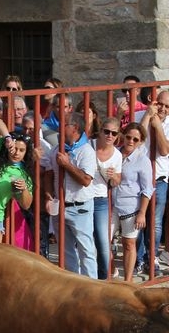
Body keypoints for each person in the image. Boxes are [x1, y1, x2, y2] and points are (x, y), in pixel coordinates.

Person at [137, 89, 169, 275]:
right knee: (135, 220)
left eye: (167, 106)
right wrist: (147, 117)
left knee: (155, 222)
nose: (162, 108)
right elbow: (136, 143)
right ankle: (138, 258)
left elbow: (164, 150)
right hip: (137, 178)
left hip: (159, 179)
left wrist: (158, 127)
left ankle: (152, 257)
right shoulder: (139, 115)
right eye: (160, 104)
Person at [52, 112, 98, 278]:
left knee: (86, 249)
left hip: (80, 208)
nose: (59, 127)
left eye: (63, 124)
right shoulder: (57, 149)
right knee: (66, 251)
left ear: (75, 128)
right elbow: (49, 173)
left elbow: (86, 180)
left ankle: (91, 286)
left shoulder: (86, 151)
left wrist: (67, 165)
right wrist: (49, 196)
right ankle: (74, 283)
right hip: (60, 206)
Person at [0, 117, 36, 245]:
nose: (17, 153)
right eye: (15, 148)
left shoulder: (23, 174)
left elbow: (26, 205)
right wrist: (7, 138)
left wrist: (23, 189)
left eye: (22, 150)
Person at [113, 123, 152, 282]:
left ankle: (127, 281)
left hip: (130, 206)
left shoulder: (143, 160)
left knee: (128, 243)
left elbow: (147, 189)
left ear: (141, 142)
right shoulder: (114, 153)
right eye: (128, 137)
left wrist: (142, 213)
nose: (130, 141)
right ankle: (111, 271)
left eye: (135, 139)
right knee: (103, 241)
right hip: (110, 205)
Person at [89, 116, 122, 277]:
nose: (110, 136)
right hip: (83, 198)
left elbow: (117, 181)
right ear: (100, 131)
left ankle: (103, 278)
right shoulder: (89, 146)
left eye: (114, 133)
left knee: (103, 242)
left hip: (101, 200)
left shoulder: (117, 155)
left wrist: (113, 176)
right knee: (83, 241)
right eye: (107, 131)